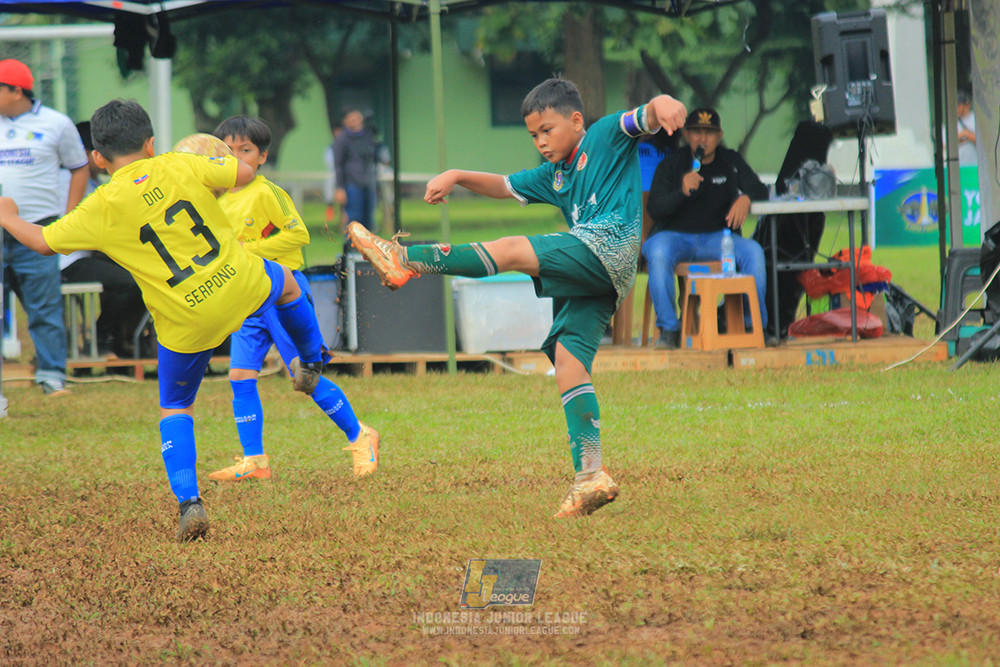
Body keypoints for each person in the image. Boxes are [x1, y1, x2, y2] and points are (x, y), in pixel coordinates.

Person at [348, 77, 687, 519]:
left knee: (509, 249)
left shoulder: (604, 135)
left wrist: (663, 102)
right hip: (604, 277)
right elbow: (504, 185)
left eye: (547, 130)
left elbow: (641, 117)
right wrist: (457, 175)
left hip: (606, 248)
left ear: (576, 120)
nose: (541, 142)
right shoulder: (556, 176)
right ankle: (591, 476)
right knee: (567, 361)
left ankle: (405, 259)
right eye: (533, 135)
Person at [0, 99, 330, 542]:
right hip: (237, 282)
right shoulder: (179, 164)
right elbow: (245, 175)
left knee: (176, 407)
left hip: (184, 320)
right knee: (288, 284)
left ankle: (189, 502)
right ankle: (311, 361)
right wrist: (220, 159)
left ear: (97, 159)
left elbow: (42, 243)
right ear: (151, 143)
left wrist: (7, 216)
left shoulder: (99, 207)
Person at [210, 115, 378, 482]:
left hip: (283, 293)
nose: (236, 157)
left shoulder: (266, 192)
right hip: (247, 298)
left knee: (305, 378)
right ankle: (256, 462)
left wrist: (249, 249)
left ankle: (360, 435)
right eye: (228, 150)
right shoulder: (216, 199)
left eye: (246, 150)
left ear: (262, 156)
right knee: (239, 375)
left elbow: (298, 234)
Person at [642, 107, 771, 349]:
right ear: (686, 135)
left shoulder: (730, 161)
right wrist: (680, 191)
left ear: (719, 136)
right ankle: (669, 330)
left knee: (753, 252)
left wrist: (746, 199)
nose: (703, 139)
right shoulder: (671, 164)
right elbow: (655, 209)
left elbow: (760, 190)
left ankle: (752, 324)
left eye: (709, 133)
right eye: (697, 132)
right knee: (657, 253)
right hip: (675, 237)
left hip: (718, 239)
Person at [0, 58, 89, 396]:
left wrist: (69, 218)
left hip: (37, 230)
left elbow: (79, 168)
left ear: (15, 90)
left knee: (44, 308)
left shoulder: (56, 123)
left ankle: (52, 376)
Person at [59, 120, 146, 358]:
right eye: (100, 153)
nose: (104, 159)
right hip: (67, 260)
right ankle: (101, 340)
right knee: (128, 282)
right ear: (85, 153)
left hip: (88, 253)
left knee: (146, 272)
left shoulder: (93, 182)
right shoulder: (65, 180)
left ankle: (124, 339)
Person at [333, 107, 378, 241]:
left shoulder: (369, 136)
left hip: (368, 182)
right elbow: (338, 165)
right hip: (352, 184)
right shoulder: (342, 140)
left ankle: (369, 250)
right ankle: (351, 248)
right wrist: (340, 187)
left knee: (368, 219)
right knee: (354, 219)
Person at [956, 89, 977, 167]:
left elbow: (984, 143)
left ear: (967, 105)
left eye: (959, 106)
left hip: (976, 164)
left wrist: (967, 135)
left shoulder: (976, 120)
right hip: (960, 165)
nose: (956, 109)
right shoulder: (953, 124)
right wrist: (960, 136)